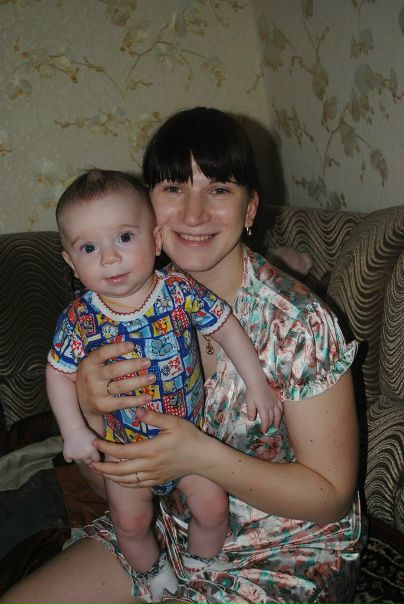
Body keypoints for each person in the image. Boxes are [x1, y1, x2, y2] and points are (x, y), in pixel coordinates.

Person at [0, 107, 365, 604]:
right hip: (167, 530)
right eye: (174, 187)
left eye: (219, 189)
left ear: (250, 208)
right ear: (148, 207)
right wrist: (89, 413)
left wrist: (202, 456)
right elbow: (111, 481)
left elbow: (331, 498)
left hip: (285, 551)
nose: (194, 214)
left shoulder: (299, 324)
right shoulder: (111, 315)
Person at [46, 168, 282, 599]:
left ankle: (198, 565)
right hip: (127, 453)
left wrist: (257, 384)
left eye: (124, 237)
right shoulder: (80, 318)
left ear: (155, 240)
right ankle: (154, 575)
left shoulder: (177, 291)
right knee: (130, 525)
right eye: (89, 247)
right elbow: (58, 372)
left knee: (212, 509)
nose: (110, 258)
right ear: (70, 262)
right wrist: (74, 430)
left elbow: (226, 327)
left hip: (188, 443)